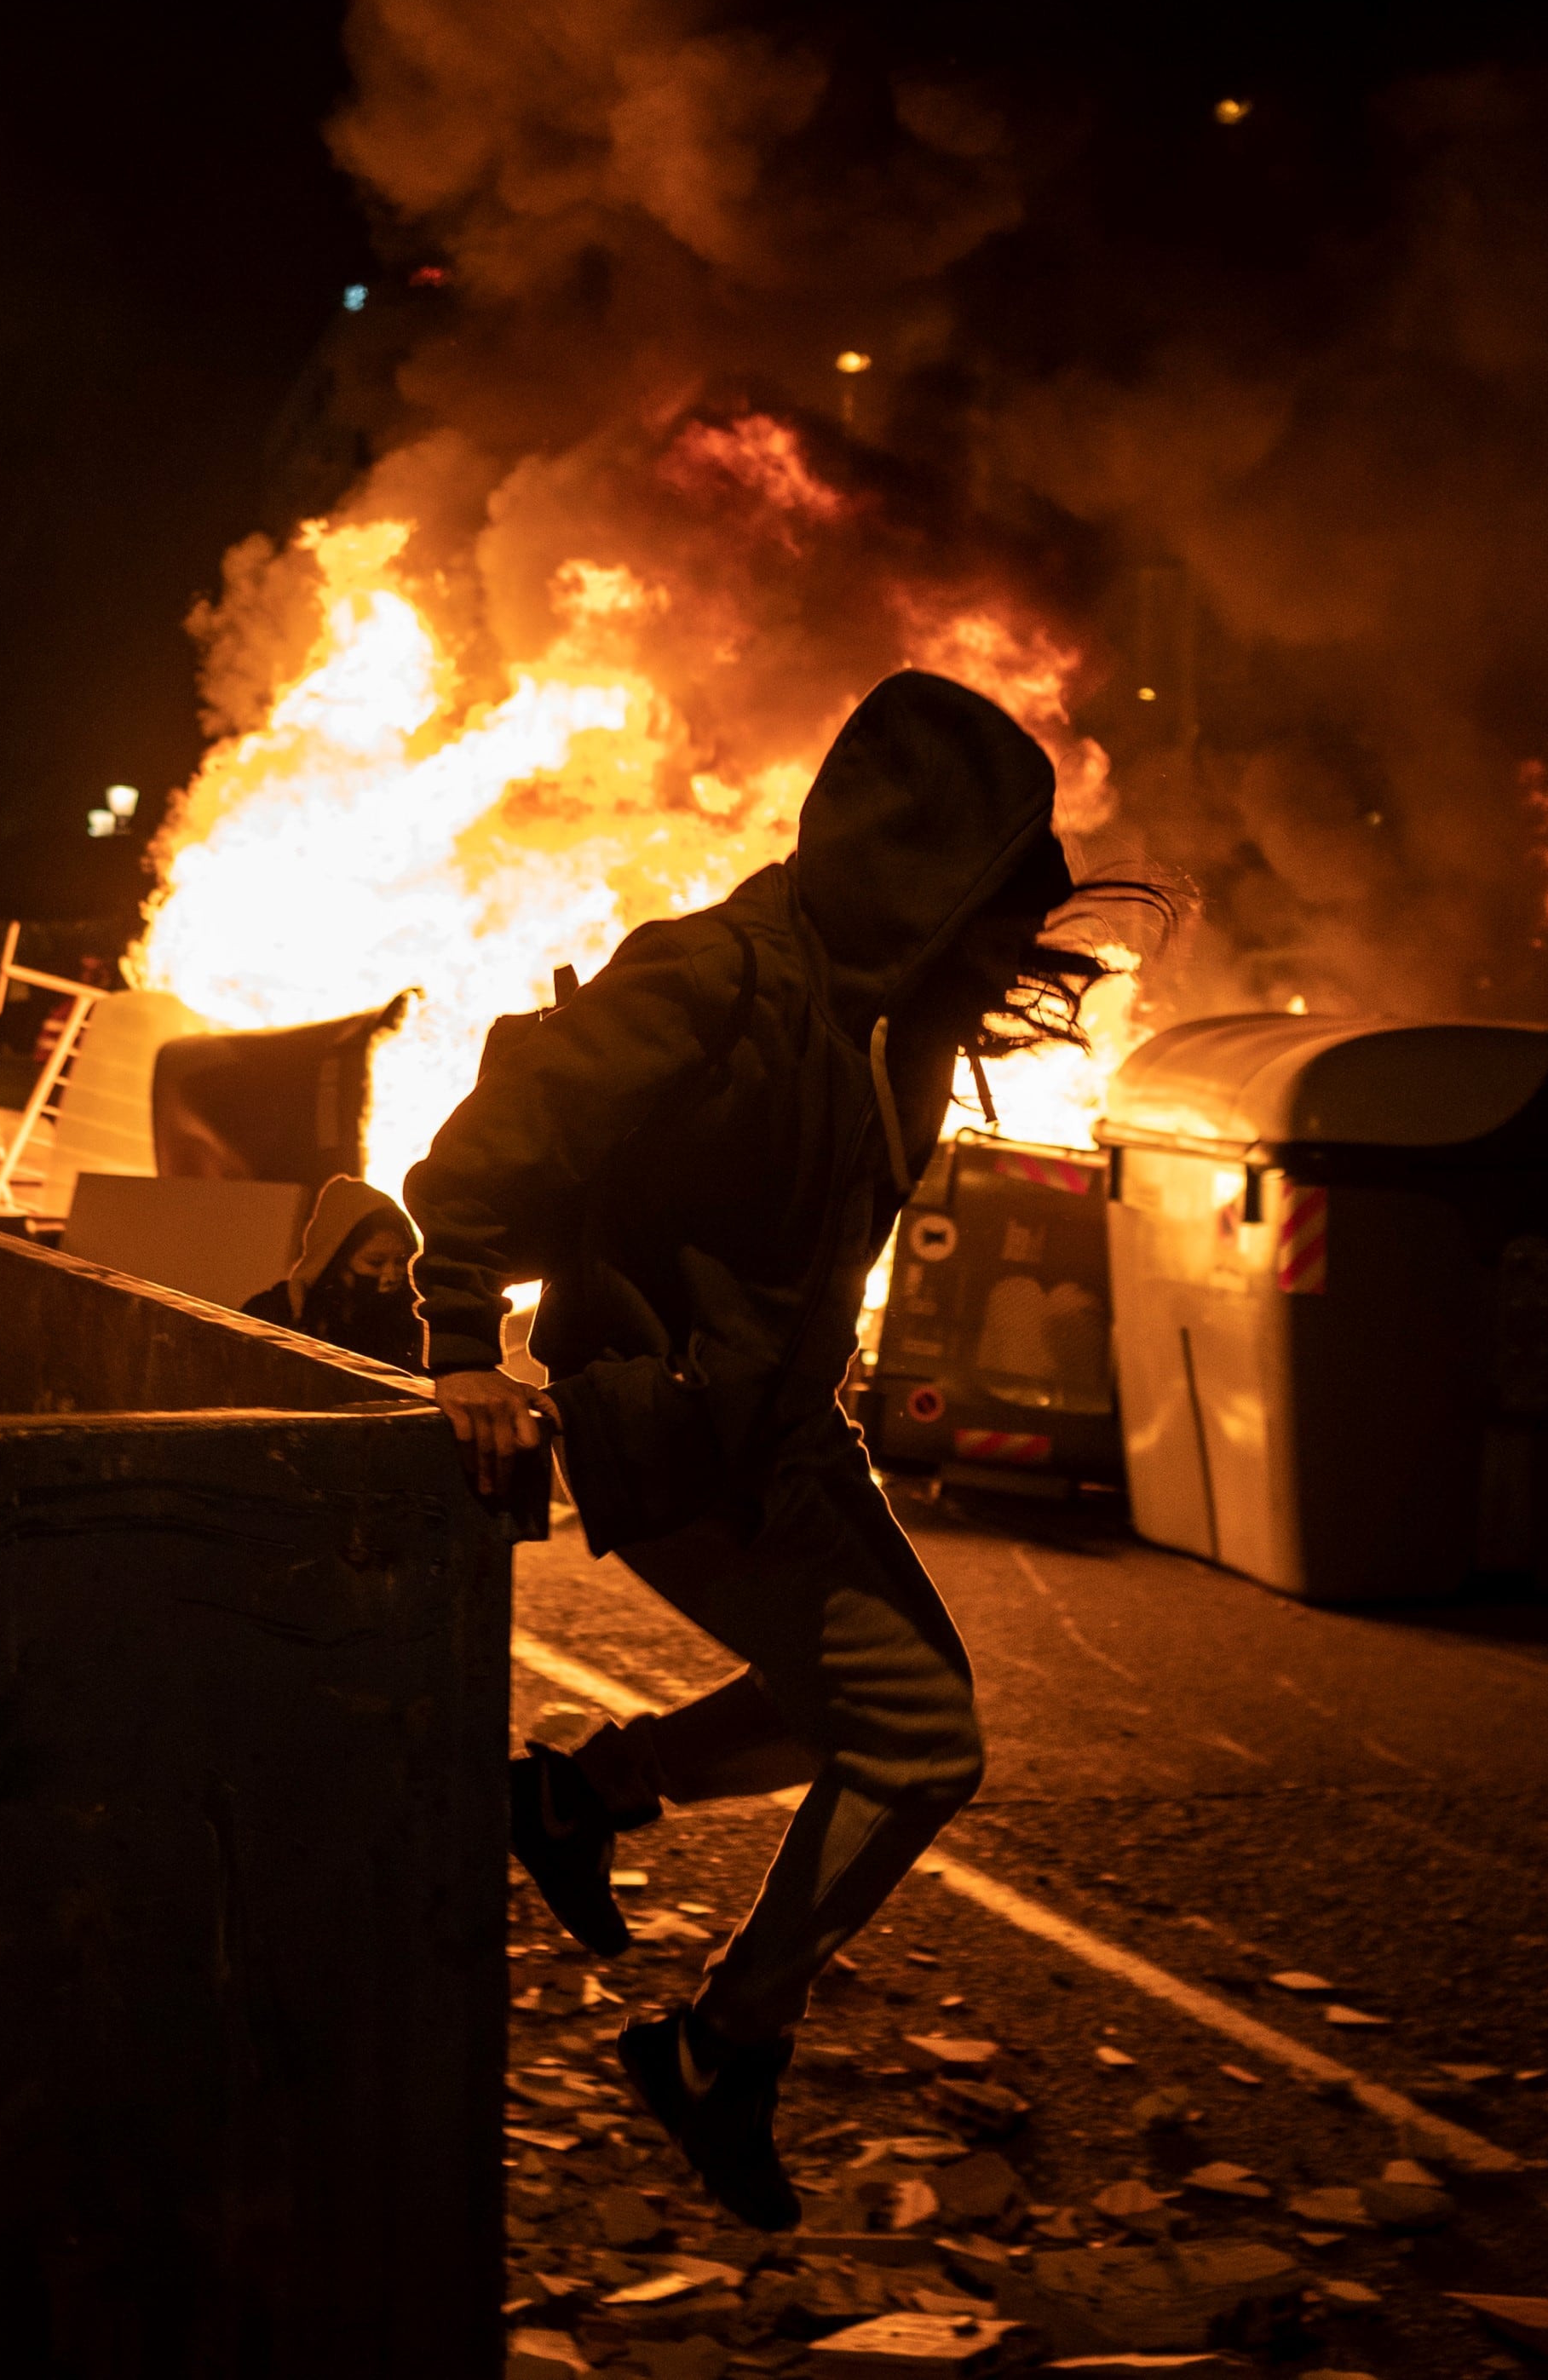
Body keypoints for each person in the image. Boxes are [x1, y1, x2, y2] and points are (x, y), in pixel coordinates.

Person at [408, 668, 1137, 2232]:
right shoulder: (714, 975)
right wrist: (462, 1343)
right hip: (667, 1425)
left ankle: (577, 1799)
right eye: (993, 905)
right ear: (918, 872)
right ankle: (716, 2045)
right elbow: (480, 1153)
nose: (1013, 949)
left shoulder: (891, 1020)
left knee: (858, 1715)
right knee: (921, 1738)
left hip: (779, 1432)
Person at [239, 1176, 425, 1370]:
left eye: (400, 1261)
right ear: (336, 1260)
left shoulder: (414, 1328)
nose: (392, 1275)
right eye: (375, 1262)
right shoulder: (273, 1316)